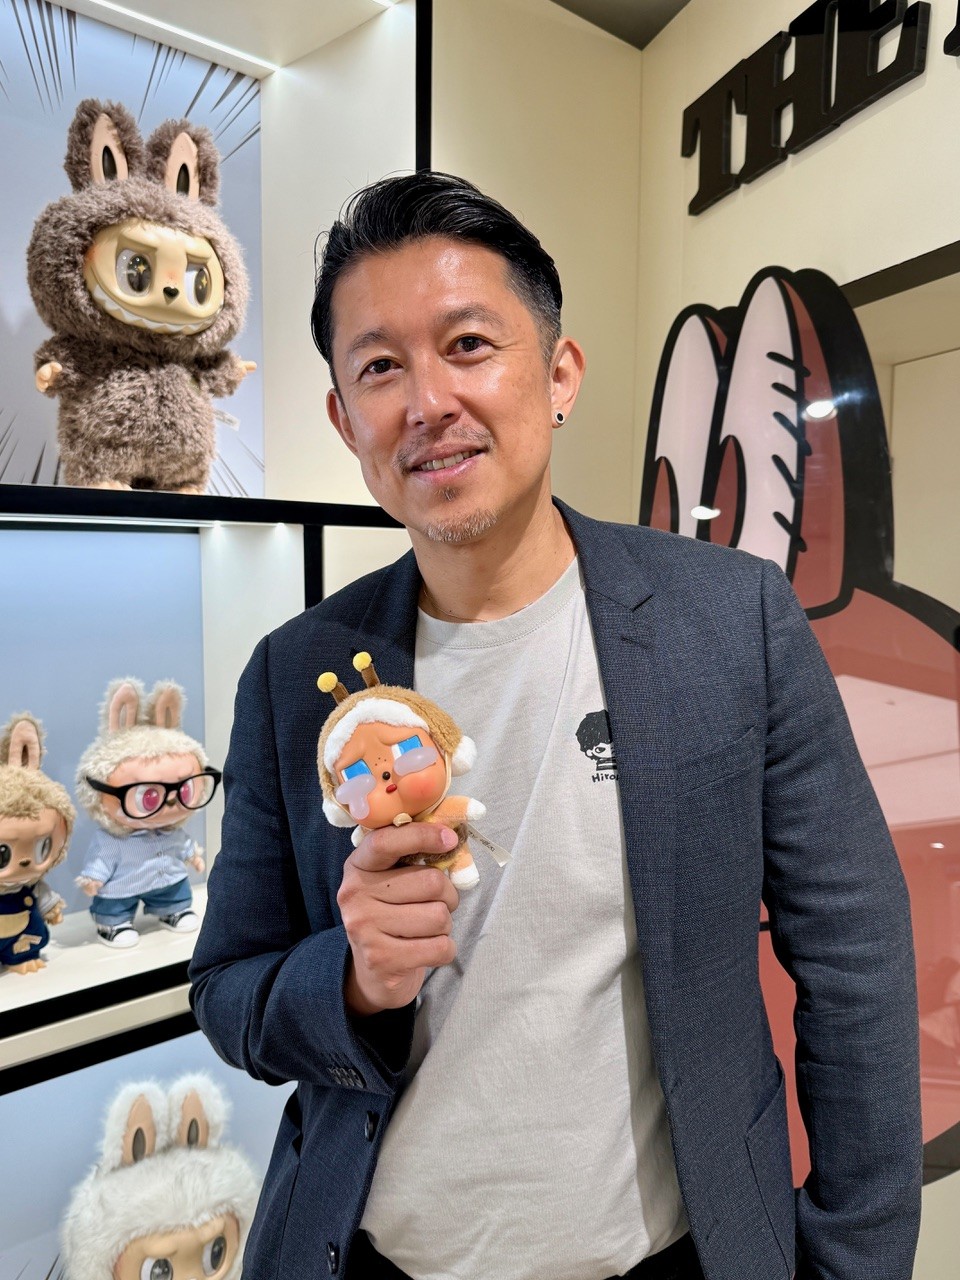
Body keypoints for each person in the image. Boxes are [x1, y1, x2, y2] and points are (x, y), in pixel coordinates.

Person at [189, 172, 921, 1280]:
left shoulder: (732, 620)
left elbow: (855, 954)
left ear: (560, 372)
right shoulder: (297, 675)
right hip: (371, 1255)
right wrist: (353, 979)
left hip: (676, 1255)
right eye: (380, 367)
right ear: (345, 420)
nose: (428, 401)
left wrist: (857, 1258)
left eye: (469, 345)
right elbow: (227, 991)